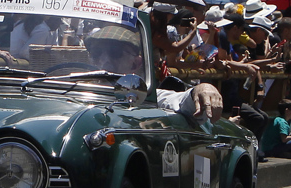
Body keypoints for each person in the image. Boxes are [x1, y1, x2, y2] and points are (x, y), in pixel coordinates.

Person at [84, 25, 222, 121]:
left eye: (115, 53)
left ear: (135, 64)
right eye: (96, 53)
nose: (104, 60)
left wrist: (202, 89)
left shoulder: (144, 95)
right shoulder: (75, 89)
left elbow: (175, 102)